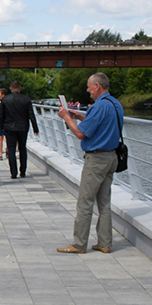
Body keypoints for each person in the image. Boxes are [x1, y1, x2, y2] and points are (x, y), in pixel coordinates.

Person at [56, 73, 124, 254]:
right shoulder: (115, 104)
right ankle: (105, 243)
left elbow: (80, 134)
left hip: (96, 160)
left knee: (85, 202)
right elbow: (102, 126)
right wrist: (81, 117)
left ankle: (79, 244)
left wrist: (67, 117)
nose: (87, 90)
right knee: (104, 202)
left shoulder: (99, 106)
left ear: (97, 87)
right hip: (111, 158)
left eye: (89, 87)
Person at [0, 80, 39, 179]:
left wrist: (1, 126)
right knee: (22, 148)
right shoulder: (26, 100)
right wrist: (35, 128)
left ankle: (13, 172)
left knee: (11, 149)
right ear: (20, 88)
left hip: (9, 127)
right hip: (23, 127)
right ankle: (23, 171)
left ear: (10, 88)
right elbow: (31, 115)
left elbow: (1, 115)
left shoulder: (5, 100)